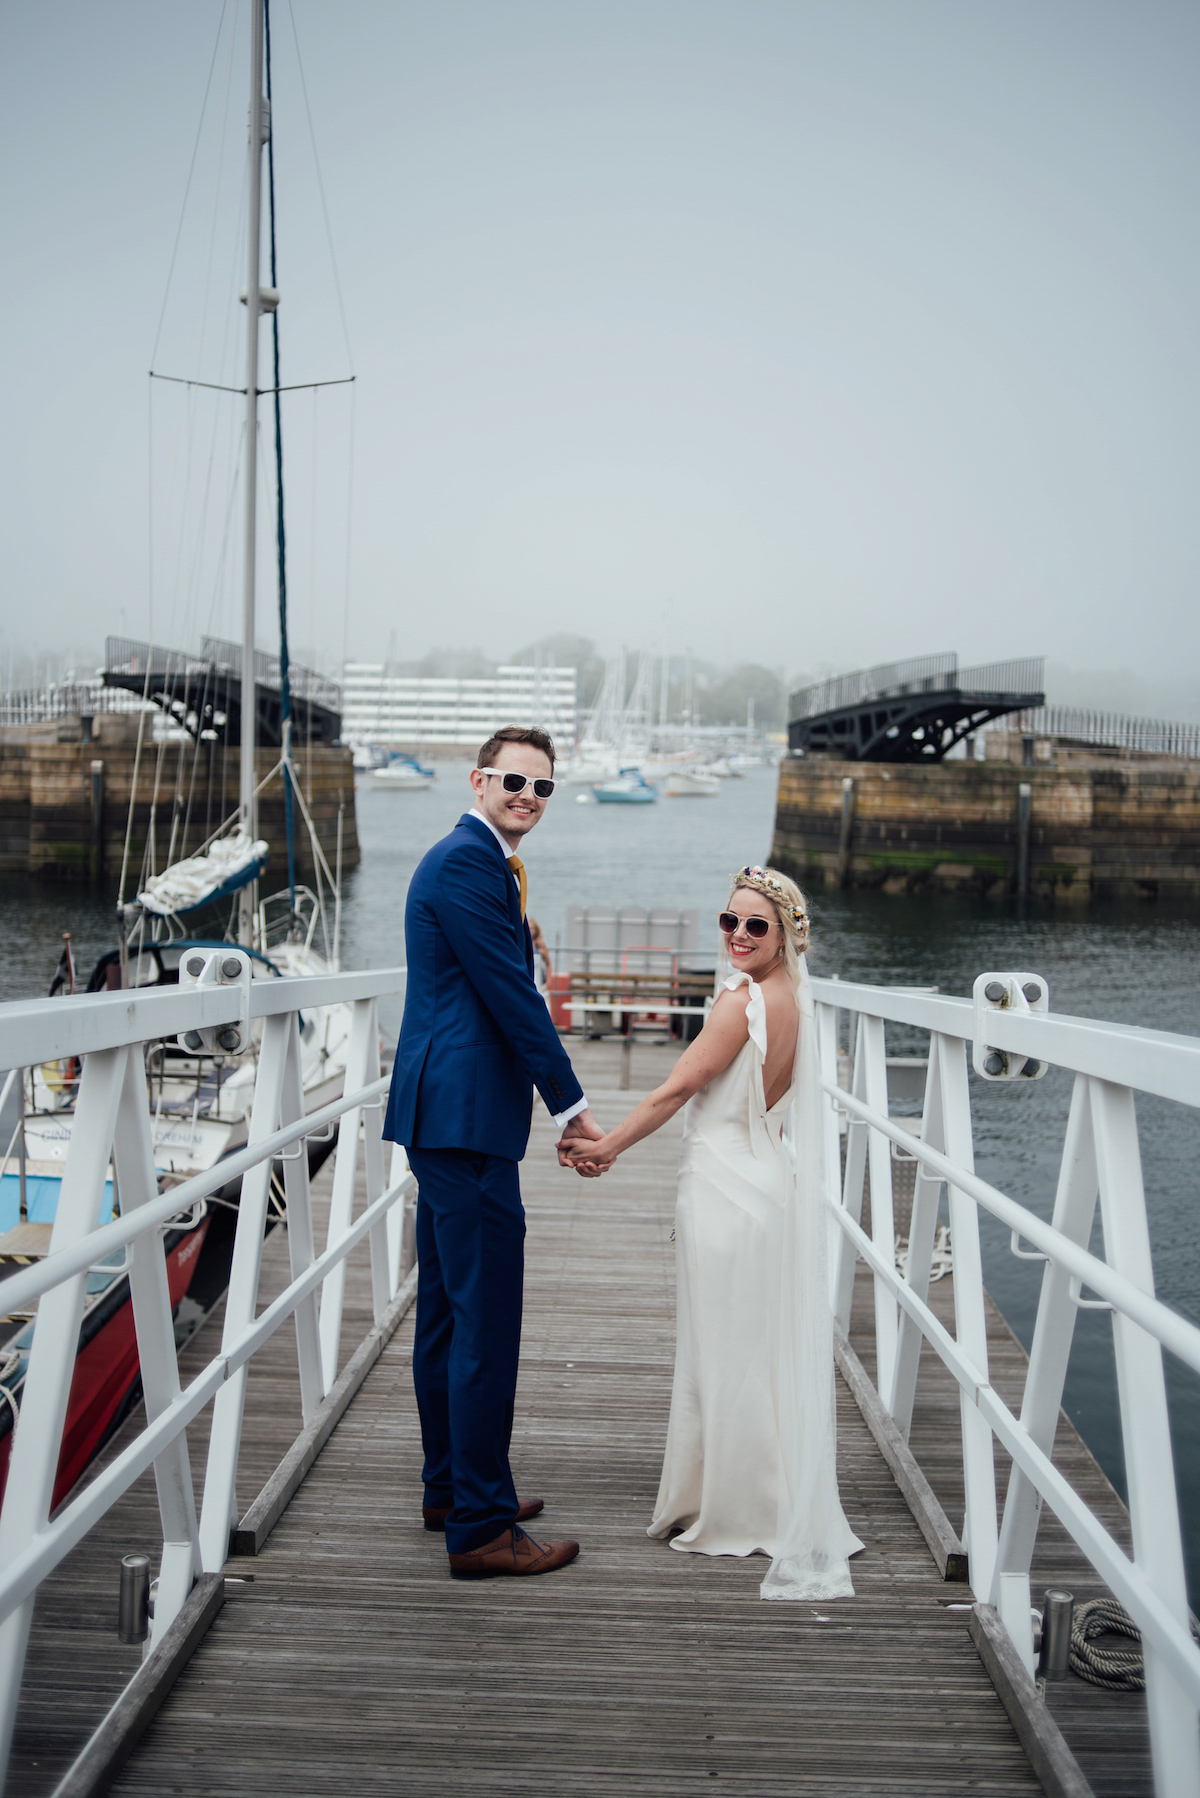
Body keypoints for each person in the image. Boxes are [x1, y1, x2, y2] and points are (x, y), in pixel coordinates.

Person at [561, 865, 863, 1600]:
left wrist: (608, 1147)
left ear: (785, 934)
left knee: (724, 1348)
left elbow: (677, 1088)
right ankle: (757, 1492)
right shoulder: (798, 1001)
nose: (737, 935)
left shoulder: (743, 1001)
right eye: (728, 921)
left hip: (726, 1192)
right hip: (770, 1185)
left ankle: (737, 1508)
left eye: (755, 926)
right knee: (752, 1346)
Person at [383, 726, 605, 1580]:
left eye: (543, 788)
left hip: (446, 1116)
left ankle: (453, 1486)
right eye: (515, 781)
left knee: (445, 1315)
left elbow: (486, 965)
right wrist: (571, 1106)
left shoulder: (477, 864)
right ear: (479, 779)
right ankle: (479, 1525)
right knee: (485, 1323)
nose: (528, 797)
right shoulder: (467, 863)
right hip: (465, 1120)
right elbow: (511, 997)